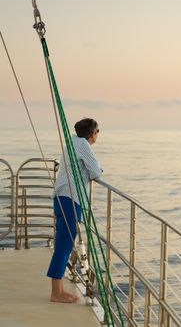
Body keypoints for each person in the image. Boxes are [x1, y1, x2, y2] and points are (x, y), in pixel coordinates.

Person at [47, 118, 102, 303]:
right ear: (92, 133)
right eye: (97, 131)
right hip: (71, 199)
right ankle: (56, 293)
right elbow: (95, 171)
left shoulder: (72, 141)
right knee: (64, 246)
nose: (97, 135)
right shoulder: (83, 144)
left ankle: (59, 289)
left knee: (63, 244)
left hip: (62, 197)